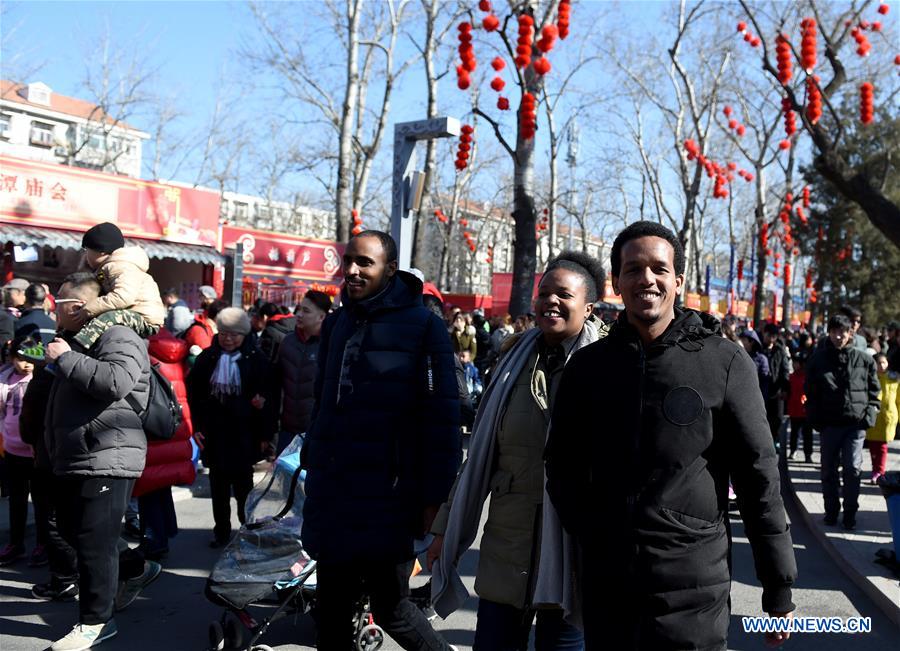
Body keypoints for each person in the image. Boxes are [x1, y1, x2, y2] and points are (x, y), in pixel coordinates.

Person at [544, 221, 797, 650]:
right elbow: (561, 463)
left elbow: (759, 478)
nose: (647, 278)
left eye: (659, 268)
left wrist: (778, 587)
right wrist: (593, 527)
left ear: (678, 280)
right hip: (609, 586)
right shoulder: (587, 368)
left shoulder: (725, 363)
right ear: (616, 283)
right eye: (633, 268)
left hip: (695, 587)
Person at [431, 251, 609, 650]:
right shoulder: (512, 362)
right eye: (544, 292)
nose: (550, 301)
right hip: (506, 552)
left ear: (589, 306)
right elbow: (479, 454)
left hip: (572, 563)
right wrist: (445, 528)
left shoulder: (610, 369)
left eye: (563, 294)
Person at [301, 230, 460, 650]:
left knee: (392, 608)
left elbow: (442, 420)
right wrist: (312, 459)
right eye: (348, 260)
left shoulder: (425, 326)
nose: (352, 270)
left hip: (389, 497)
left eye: (364, 263)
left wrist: (434, 501)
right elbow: (322, 404)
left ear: (390, 270)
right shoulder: (337, 322)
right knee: (332, 612)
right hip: (333, 493)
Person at [43, 272, 152, 650]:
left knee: (93, 541)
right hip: (79, 454)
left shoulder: (117, 334)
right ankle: (136, 568)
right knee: (77, 531)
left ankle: (96, 623)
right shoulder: (79, 338)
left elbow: (117, 381)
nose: (51, 308)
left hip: (109, 452)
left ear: (78, 307)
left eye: (57, 302)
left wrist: (67, 359)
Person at [187, 307, 276, 548]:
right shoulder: (208, 358)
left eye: (234, 334)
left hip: (245, 433)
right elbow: (194, 394)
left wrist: (265, 429)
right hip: (214, 432)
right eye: (224, 333)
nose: (228, 339)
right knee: (218, 487)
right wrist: (196, 427)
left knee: (244, 487)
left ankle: (246, 529)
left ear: (244, 335)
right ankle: (222, 532)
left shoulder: (256, 359)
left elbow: (270, 396)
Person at [805, 314, 881, 530]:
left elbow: (875, 392)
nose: (839, 336)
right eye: (835, 331)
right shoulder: (818, 360)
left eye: (843, 332)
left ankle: (850, 514)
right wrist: (816, 420)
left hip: (855, 426)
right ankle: (831, 512)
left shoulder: (864, 360)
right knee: (828, 470)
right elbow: (810, 393)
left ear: (851, 333)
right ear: (829, 332)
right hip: (829, 425)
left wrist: (869, 415)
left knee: (852, 469)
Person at [132, 328, 197, 559]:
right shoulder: (173, 350)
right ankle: (165, 532)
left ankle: (154, 541)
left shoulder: (142, 351)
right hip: (174, 426)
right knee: (161, 486)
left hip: (151, 430)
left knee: (149, 487)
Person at [72, 222, 166, 349]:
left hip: (145, 319)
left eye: (87, 250)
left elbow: (123, 297)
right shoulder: (109, 267)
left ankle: (76, 349)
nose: (85, 255)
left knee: (106, 318)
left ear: (101, 251)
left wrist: (89, 309)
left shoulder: (120, 266)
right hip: (132, 313)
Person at [0, 336, 43, 566]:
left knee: (41, 501)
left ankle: (42, 544)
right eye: (20, 358)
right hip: (13, 451)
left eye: (30, 359)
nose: (25, 364)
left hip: (36, 453)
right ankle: (16, 544)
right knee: (17, 501)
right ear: (11, 358)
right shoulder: (5, 381)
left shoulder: (41, 380)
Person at [275, 290, 330, 455]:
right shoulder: (287, 342)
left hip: (317, 433)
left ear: (321, 317)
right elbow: (276, 384)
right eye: (299, 309)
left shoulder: (330, 344)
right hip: (287, 431)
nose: (299, 314)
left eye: (306, 311)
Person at [866, 353, 898, 485]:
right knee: (873, 445)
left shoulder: (894, 379)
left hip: (887, 417)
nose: (881, 366)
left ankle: (880, 471)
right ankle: (875, 470)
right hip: (873, 416)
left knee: (882, 446)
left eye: (883, 362)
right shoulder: (869, 378)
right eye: (878, 363)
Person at [762, 323, 792, 451]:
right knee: (763, 417)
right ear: (764, 333)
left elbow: (785, 370)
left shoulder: (780, 350)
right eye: (769, 335)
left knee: (778, 418)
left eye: (774, 336)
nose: (771, 339)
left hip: (777, 390)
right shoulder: (758, 348)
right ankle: (764, 442)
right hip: (761, 389)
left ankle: (775, 439)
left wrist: (785, 389)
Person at [787, 354, 813, 463]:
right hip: (794, 410)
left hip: (805, 410)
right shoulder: (791, 377)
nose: (793, 364)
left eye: (796, 362)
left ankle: (808, 454)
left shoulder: (807, 377)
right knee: (794, 433)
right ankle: (793, 450)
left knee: (807, 434)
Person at [738, 328, 770, 399]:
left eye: (744, 340)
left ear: (751, 342)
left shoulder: (762, 359)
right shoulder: (739, 356)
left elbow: (764, 383)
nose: (741, 342)